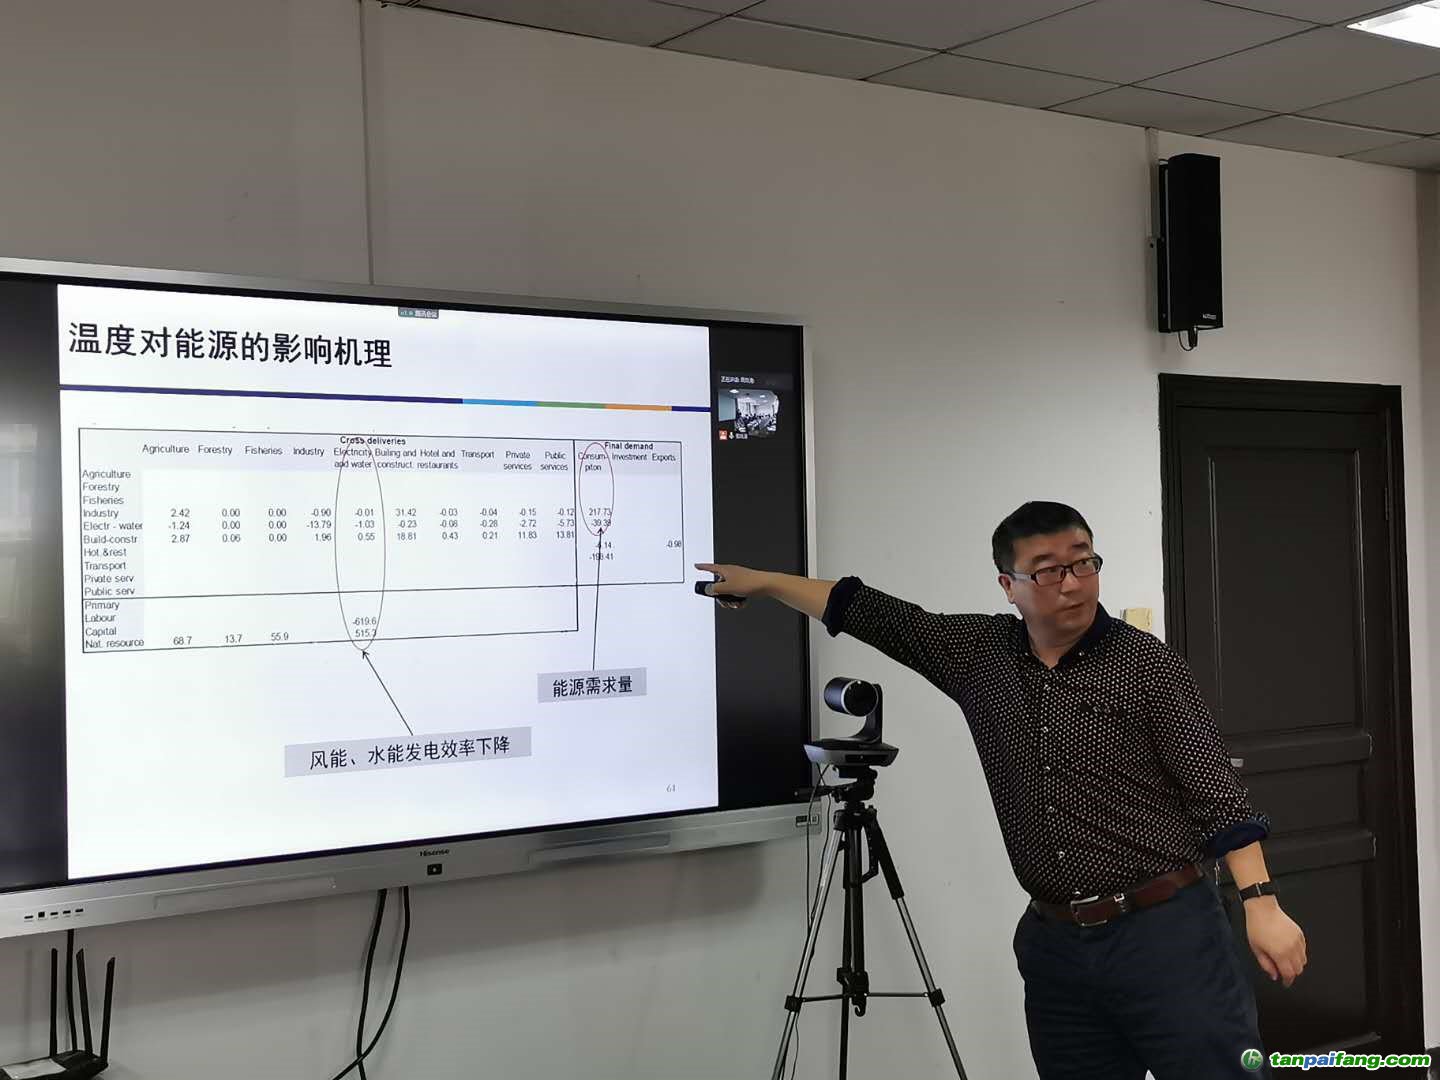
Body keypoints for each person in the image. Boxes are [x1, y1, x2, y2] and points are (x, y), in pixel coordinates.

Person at [697, 500, 1307, 1080]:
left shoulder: (1146, 664)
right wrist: (767, 582)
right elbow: (868, 611)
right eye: (1048, 570)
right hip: (1056, 946)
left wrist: (1262, 903)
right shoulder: (980, 655)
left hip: (1168, 934)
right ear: (1008, 586)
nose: (1073, 583)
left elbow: (1216, 792)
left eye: (1084, 562)